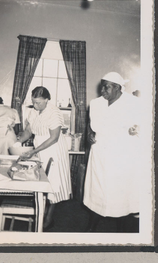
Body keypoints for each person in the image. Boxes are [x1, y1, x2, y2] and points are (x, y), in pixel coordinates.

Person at [83, 72, 141, 232]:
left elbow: (143, 126)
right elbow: (90, 125)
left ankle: (122, 232)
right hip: (100, 153)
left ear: (117, 87)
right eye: (102, 85)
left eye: (106, 86)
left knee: (120, 193)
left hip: (121, 154)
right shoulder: (95, 103)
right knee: (97, 191)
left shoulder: (133, 103)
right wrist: (89, 134)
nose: (102, 89)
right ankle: (91, 227)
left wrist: (135, 129)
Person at [15, 86, 72, 229]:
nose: (35, 105)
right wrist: (17, 143)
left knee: (53, 184)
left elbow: (54, 138)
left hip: (54, 150)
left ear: (47, 99)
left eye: (39, 103)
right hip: (40, 150)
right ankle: (42, 212)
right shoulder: (33, 111)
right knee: (42, 181)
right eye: (33, 102)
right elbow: (28, 131)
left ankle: (48, 218)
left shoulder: (54, 112)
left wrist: (34, 151)